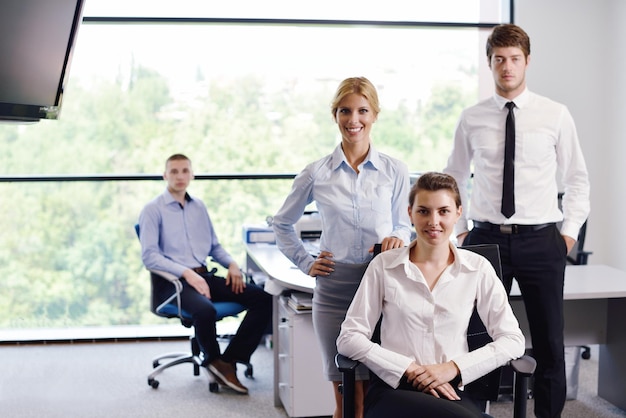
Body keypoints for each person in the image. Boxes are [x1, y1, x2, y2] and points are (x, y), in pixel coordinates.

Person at [443, 24, 590, 418]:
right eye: (499, 60)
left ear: (527, 62)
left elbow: (577, 179)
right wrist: (460, 231)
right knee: (475, 336)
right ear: (489, 63)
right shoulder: (471, 117)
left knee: (547, 340)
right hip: (485, 238)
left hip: (542, 241)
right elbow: (454, 176)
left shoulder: (555, 114)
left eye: (514, 59)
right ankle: (474, 413)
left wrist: (567, 237)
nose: (506, 67)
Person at [272, 76, 412, 418]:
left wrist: (398, 237)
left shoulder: (394, 170)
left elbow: (404, 223)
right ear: (335, 115)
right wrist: (305, 263)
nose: (354, 119)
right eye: (345, 111)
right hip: (335, 292)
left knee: (380, 394)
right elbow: (281, 223)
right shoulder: (316, 173)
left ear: (375, 114)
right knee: (347, 399)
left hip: (382, 288)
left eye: (362, 110)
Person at [336, 172, 525, 418]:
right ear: (410, 213)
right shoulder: (384, 266)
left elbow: (513, 340)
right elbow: (349, 337)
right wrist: (410, 369)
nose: (433, 221)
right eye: (424, 211)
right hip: (393, 390)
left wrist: (452, 368)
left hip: (451, 388)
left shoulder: (477, 268)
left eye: (443, 211)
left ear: (458, 212)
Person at [138, 153, 272, 395]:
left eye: (185, 171)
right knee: (204, 310)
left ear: (192, 174)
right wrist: (187, 274)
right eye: (174, 171)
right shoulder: (152, 210)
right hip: (174, 283)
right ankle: (213, 358)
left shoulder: (198, 207)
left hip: (204, 276)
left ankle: (229, 360)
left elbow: (213, 247)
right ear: (165, 175)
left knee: (264, 299)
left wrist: (231, 264)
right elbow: (150, 256)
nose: (180, 176)